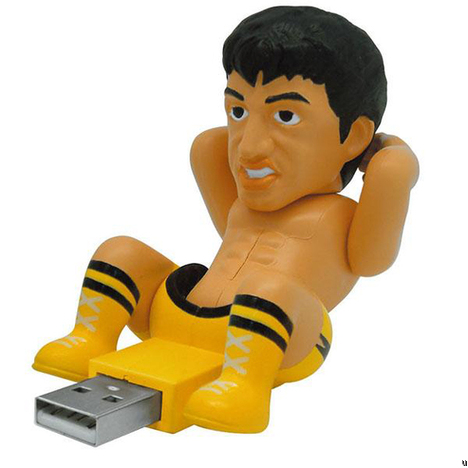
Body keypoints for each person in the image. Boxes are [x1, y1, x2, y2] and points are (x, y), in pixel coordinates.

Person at [33, 6, 419, 433]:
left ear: (356, 135)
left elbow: (373, 261)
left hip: (285, 339)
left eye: (286, 116)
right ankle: (89, 338)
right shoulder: (246, 206)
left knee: (268, 286)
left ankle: (244, 389)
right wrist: (220, 137)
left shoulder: (342, 216)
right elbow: (210, 149)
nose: (248, 147)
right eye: (237, 111)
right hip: (177, 318)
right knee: (120, 250)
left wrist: (392, 165)